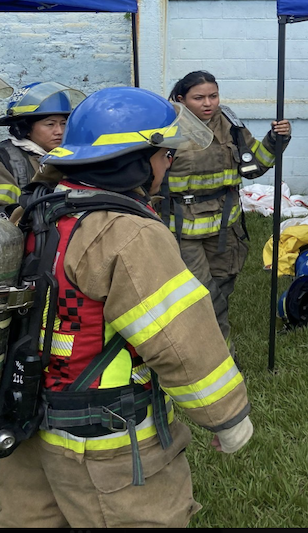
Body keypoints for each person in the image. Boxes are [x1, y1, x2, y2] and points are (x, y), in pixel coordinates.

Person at [0, 87, 253, 528]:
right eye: (165, 154)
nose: (168, 165)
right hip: (104, 447)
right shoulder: (127, 233)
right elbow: (179, 339)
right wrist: (227, 417)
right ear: (135, 160)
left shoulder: (35, 210)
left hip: (24, 424)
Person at [160, 71, 291, 363]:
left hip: (224, 226)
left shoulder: (230, 123)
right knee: (202, 295)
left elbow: (254, 165)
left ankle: (201, 344)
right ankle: (219, 358)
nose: (208, 103)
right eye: (199, 98)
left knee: (221, 288)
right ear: (181, 99)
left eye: (213, 96)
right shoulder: (165, 126)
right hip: (183, 230)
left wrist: (275, 140)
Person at [0, 81, 84, 208]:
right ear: (25, 128)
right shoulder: (4, 158)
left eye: (63, 123)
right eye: (50, 124)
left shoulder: (76, 157)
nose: (59, 131)